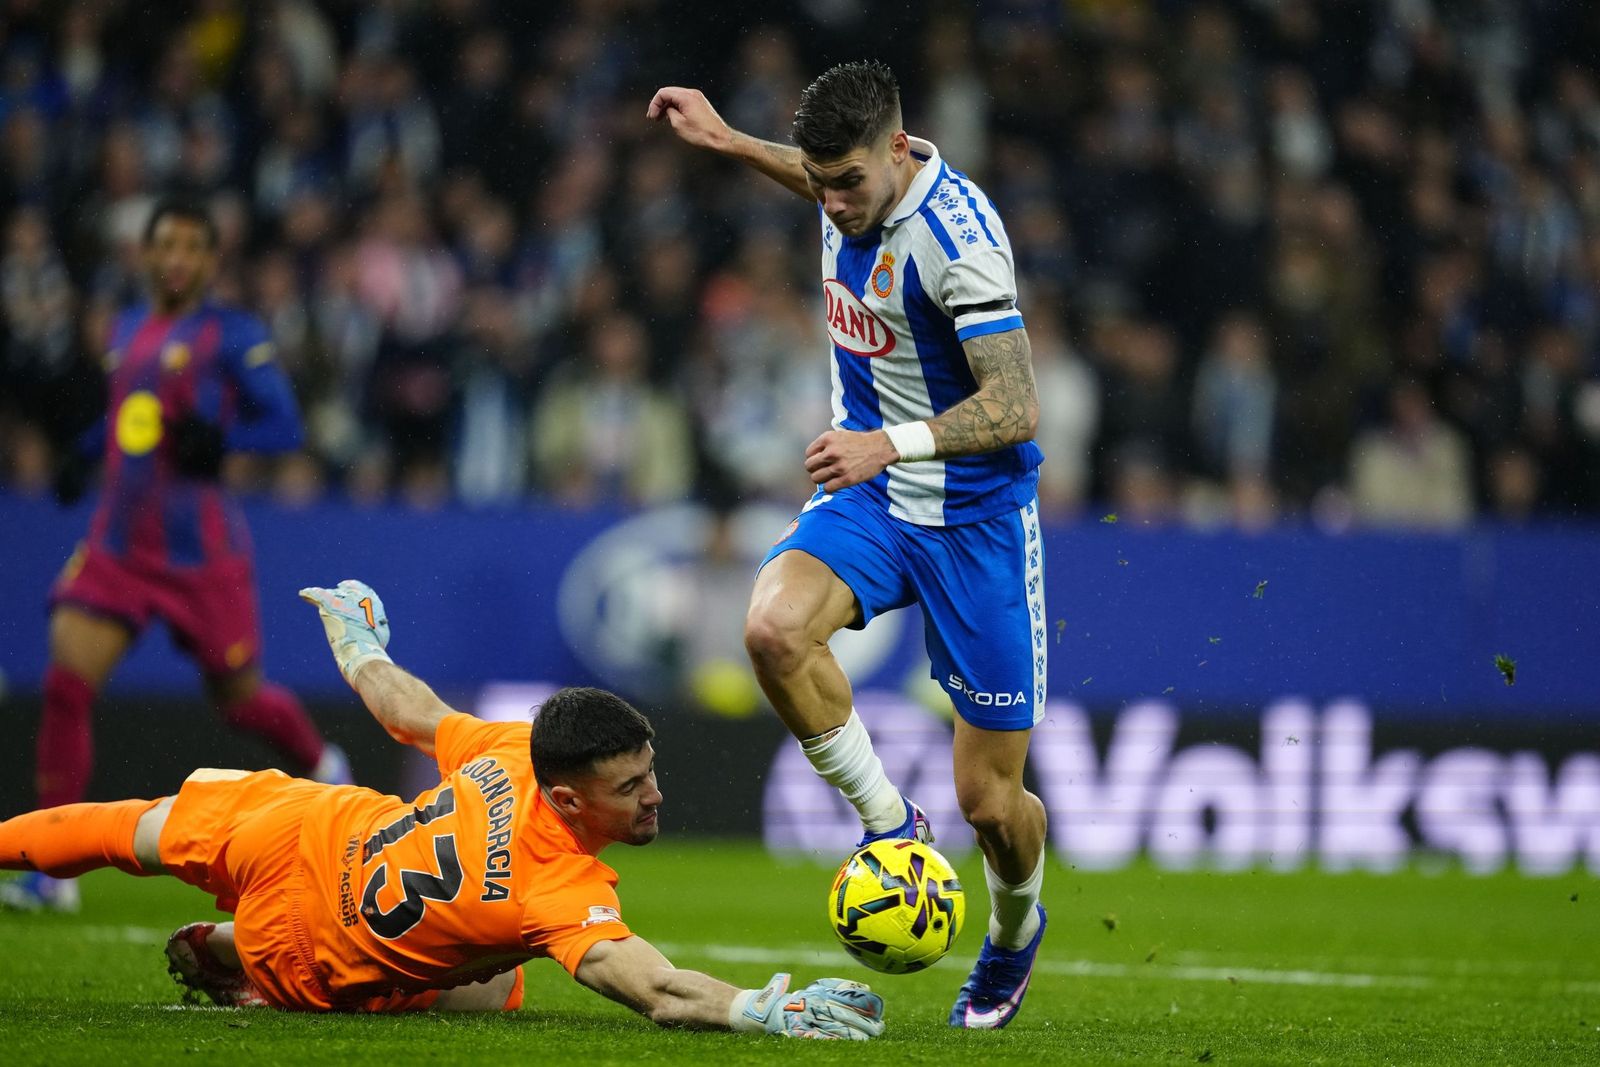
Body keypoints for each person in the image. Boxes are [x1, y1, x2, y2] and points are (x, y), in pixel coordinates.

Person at [0, 579, 886, 1039]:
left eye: (650, 771)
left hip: (308, 828)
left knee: (125, 827)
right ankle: (238, 956)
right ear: (569, 797)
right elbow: (655, 989)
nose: (657, 794)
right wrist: (764, 1009)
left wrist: (353, 638)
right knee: (502, 983)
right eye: (632, 786)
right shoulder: (555, 888)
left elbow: (405, 708)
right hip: (309, 955)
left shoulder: (512, 747)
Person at [649, 61, 1050, 1029]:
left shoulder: (963, 240)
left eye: (848, 185)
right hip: (872, 501)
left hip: (974, 520)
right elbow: (821, 174)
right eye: (820, 183)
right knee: (774, 630)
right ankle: (889, 824)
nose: (831, 203)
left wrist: (889, 440)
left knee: (993, 804)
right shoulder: (848, 186)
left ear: (901, 153)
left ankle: (1012, 930)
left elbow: (1015, 403)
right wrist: (734, 142)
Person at [1, 197, 349, 915]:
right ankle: (54, 872)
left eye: (192, 246)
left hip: (200, 554)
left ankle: (323, 763)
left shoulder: (233, 334)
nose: (177, 258)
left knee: (241, 700)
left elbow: (283, 427)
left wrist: (224, 443)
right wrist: (85, 453)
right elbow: (130, 415)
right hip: (118, 545)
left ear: (210, 260)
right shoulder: (126, 328)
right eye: (166, 244)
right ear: (148, 254)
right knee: (69, 679)